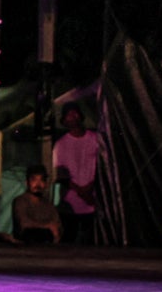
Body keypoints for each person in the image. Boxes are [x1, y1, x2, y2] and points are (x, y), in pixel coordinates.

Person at [52, 102, 101, 243]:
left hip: (93, 201)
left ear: (80, 116)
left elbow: (102, 166)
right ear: (64, 120)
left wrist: (90, 188)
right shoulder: (61, 144)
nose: (72, 117)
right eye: (68, 115)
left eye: (74, 113)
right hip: (70, 204)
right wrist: (82, 192)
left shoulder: (95, 139)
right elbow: (60, 174)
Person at [12, 166, 63, 244]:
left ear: (45, 184)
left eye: (41, 180)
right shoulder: (21, 201)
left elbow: (57, 224)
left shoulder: (48, 204)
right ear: (27, 183)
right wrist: (47, 226)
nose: (38, 184)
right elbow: (24, 223)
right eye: (34, 180)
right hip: (25, 246)